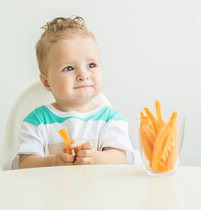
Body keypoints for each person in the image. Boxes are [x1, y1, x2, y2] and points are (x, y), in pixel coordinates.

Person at [13, 16, 134, 169]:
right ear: (46, 81)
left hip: (99, 191)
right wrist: (51, 162)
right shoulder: (37, 121)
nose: (84, 75)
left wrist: (95, 158)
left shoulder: (111, 119)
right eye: (69, 68)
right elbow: (24, 163)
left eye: (91, 65)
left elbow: (121, 157)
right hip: (50, 191)